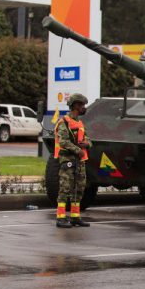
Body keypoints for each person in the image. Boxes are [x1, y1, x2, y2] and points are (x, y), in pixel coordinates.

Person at [54, 93, 92, 228]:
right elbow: (63, 141)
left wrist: (87, 144)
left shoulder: (80, 123)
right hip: (68, 160)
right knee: (65, 187)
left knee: (79, 188)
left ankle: (75, 217)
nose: (84, 108)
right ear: (75, 105)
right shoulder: (64, 122)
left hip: (80, 160)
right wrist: (78, 150)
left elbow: (88, 139)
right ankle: (61, 217)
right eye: (82, 105)